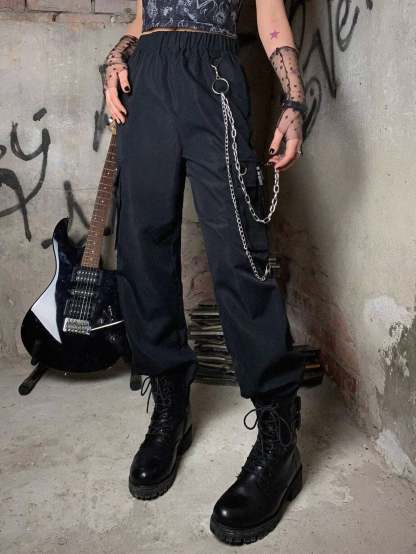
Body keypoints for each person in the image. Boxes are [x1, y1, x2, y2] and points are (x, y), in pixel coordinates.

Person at [103, 0, 307, 545]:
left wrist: (293, 100)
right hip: (146, 80)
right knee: (141, 246)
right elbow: (142, 18)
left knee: (238, 250)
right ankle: (171, 406)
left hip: (211, 72)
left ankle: (279, 435)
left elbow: (269, 19)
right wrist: (116, 60)